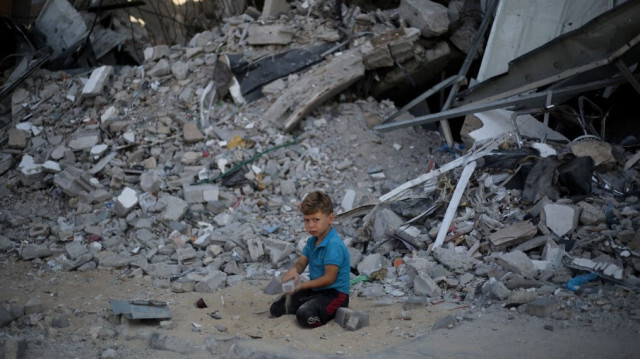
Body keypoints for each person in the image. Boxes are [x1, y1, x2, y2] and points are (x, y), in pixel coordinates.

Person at [270, 191, 351, 328]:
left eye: (316, 220)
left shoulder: (333, 245)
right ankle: (313, 305)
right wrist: (294, 270)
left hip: (335, 294)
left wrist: (303, 285)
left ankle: (325, 313)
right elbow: (302, 262)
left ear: (330, 218)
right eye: (307, 220)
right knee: (277, 308)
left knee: (305, 316)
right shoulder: (312, 241)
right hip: (316, 290)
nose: (311, 225)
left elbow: (329, 278)